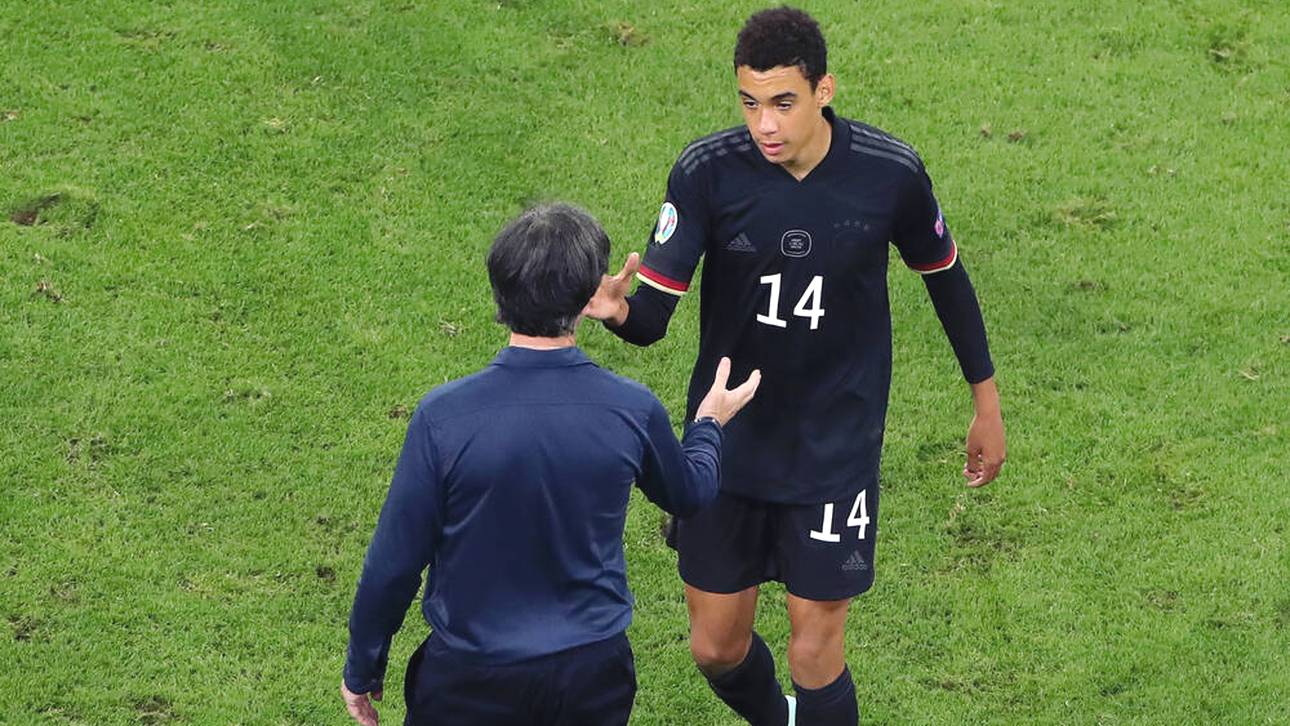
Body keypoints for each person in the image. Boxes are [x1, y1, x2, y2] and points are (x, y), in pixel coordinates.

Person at [585, 7, 1007, 725]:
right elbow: (654, 318)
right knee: (716, 648)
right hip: (728, 443)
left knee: (817, 651)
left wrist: (986, 402)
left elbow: (945, 276)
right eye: (750, 103)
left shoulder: (889, 174)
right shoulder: (707, 172)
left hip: (834, 446)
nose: (765, 124)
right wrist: (621, 311)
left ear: (824, 90)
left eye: (782, 102)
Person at [340, 203, 762, 726]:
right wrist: (708, 426)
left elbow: (393, 564)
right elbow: (691, 493)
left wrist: (363, 667)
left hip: (469, 679)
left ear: (500, 292)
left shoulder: (442, 418)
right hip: (590, 677)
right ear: (589, 299)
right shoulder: (630, 409)